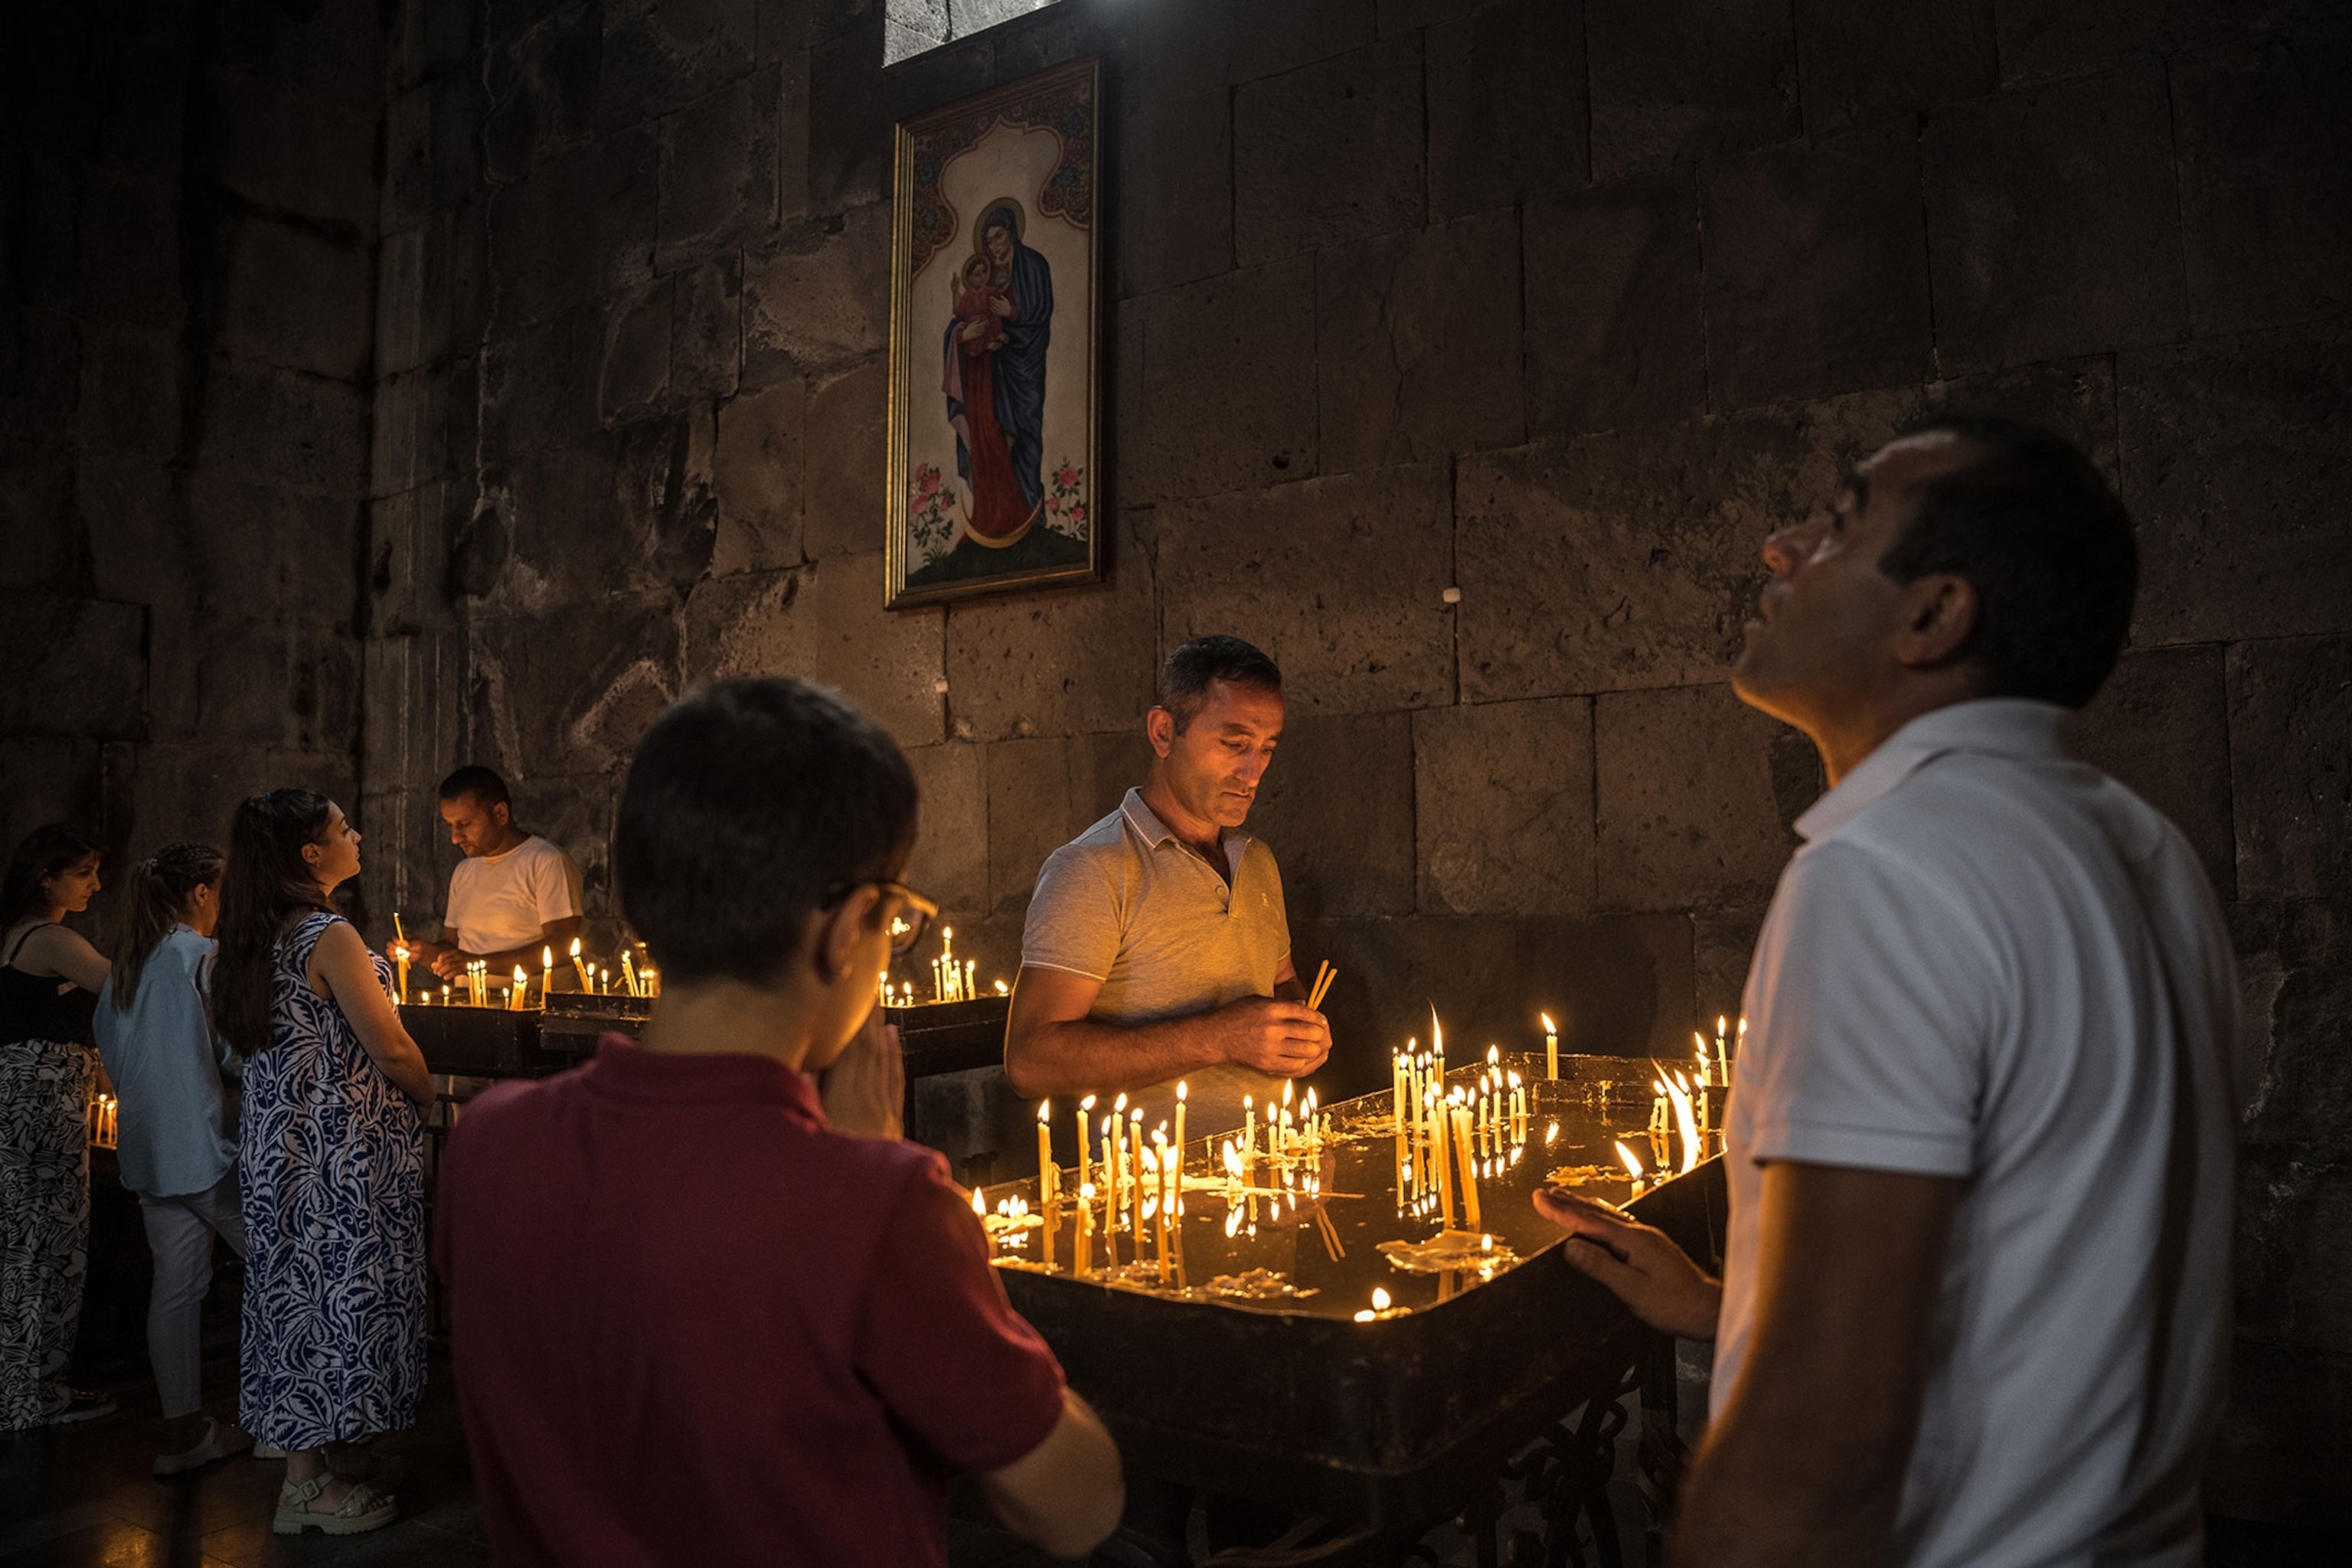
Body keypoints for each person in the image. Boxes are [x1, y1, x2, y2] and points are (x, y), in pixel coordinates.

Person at [1534, 419, 2238, 1566]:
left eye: (1844, 523)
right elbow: (2052, 1257)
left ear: (1932, 616)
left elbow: (1817, 1443)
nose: (1779, 546)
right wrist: (1735, 1305)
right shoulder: (2138, 844)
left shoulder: (1889, 871)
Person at [436, 677, 1123, 1566]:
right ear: (848, 929)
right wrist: (882, 1175)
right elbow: (1077, 1504)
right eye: (895, 917)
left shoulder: (489, 1145)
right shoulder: (873, 1201)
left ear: (644, 903)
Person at [1004, 635, 1331, 1139]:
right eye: (1234, 744)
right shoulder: (1092, 868)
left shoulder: (1257, 860)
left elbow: (1281, 980)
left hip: (1270, 1171)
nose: (1253, 773)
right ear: (1163, 732)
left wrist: (1294, 1028)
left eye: (1267, 749)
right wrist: (1220, 1037)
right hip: (1149, 1194)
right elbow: (1030, 1062)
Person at [213, 790, 433, 1536]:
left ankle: (317, 1452)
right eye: (343, 828)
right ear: (310, 851)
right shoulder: (325, 933)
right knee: (335, 1294)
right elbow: (389, 1042)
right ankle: (304, 1490)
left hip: (285, 1145)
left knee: (296, 1296)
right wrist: (425, 1091)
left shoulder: (249, 937)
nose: (357, 834)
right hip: (338, 1149)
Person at [93, 841, 255, 1475]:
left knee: (177, 1288)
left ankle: (185, 1433)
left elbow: (118, 1054)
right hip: (206, 1146)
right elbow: (233, 1051)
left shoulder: (127, 968)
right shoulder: (201, 955)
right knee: (280, 1269)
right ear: (201, 895)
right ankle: (287, 1426)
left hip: (149, 1149)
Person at [0, 823, 115, 1429]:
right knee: (45, 1245)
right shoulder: (49, 938)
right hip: (40, 1107)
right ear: (47, 877)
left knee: (30, 1242)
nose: (97, 885)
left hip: (32, 1103)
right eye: (84, 873)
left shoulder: (20, 934)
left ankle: (31, 1387)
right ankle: (31, 1395)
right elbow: (128, 987)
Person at [396, 766, 583, 985]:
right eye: (450, 826)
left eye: (465, 824)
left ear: (500, 814)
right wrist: (425, 952)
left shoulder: (546, 862)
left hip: (531, 1009)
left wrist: (476, 963)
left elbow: (562, 947)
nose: (455, 838)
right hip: (470, 1005)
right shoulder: (464, 871)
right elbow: (453, 947)